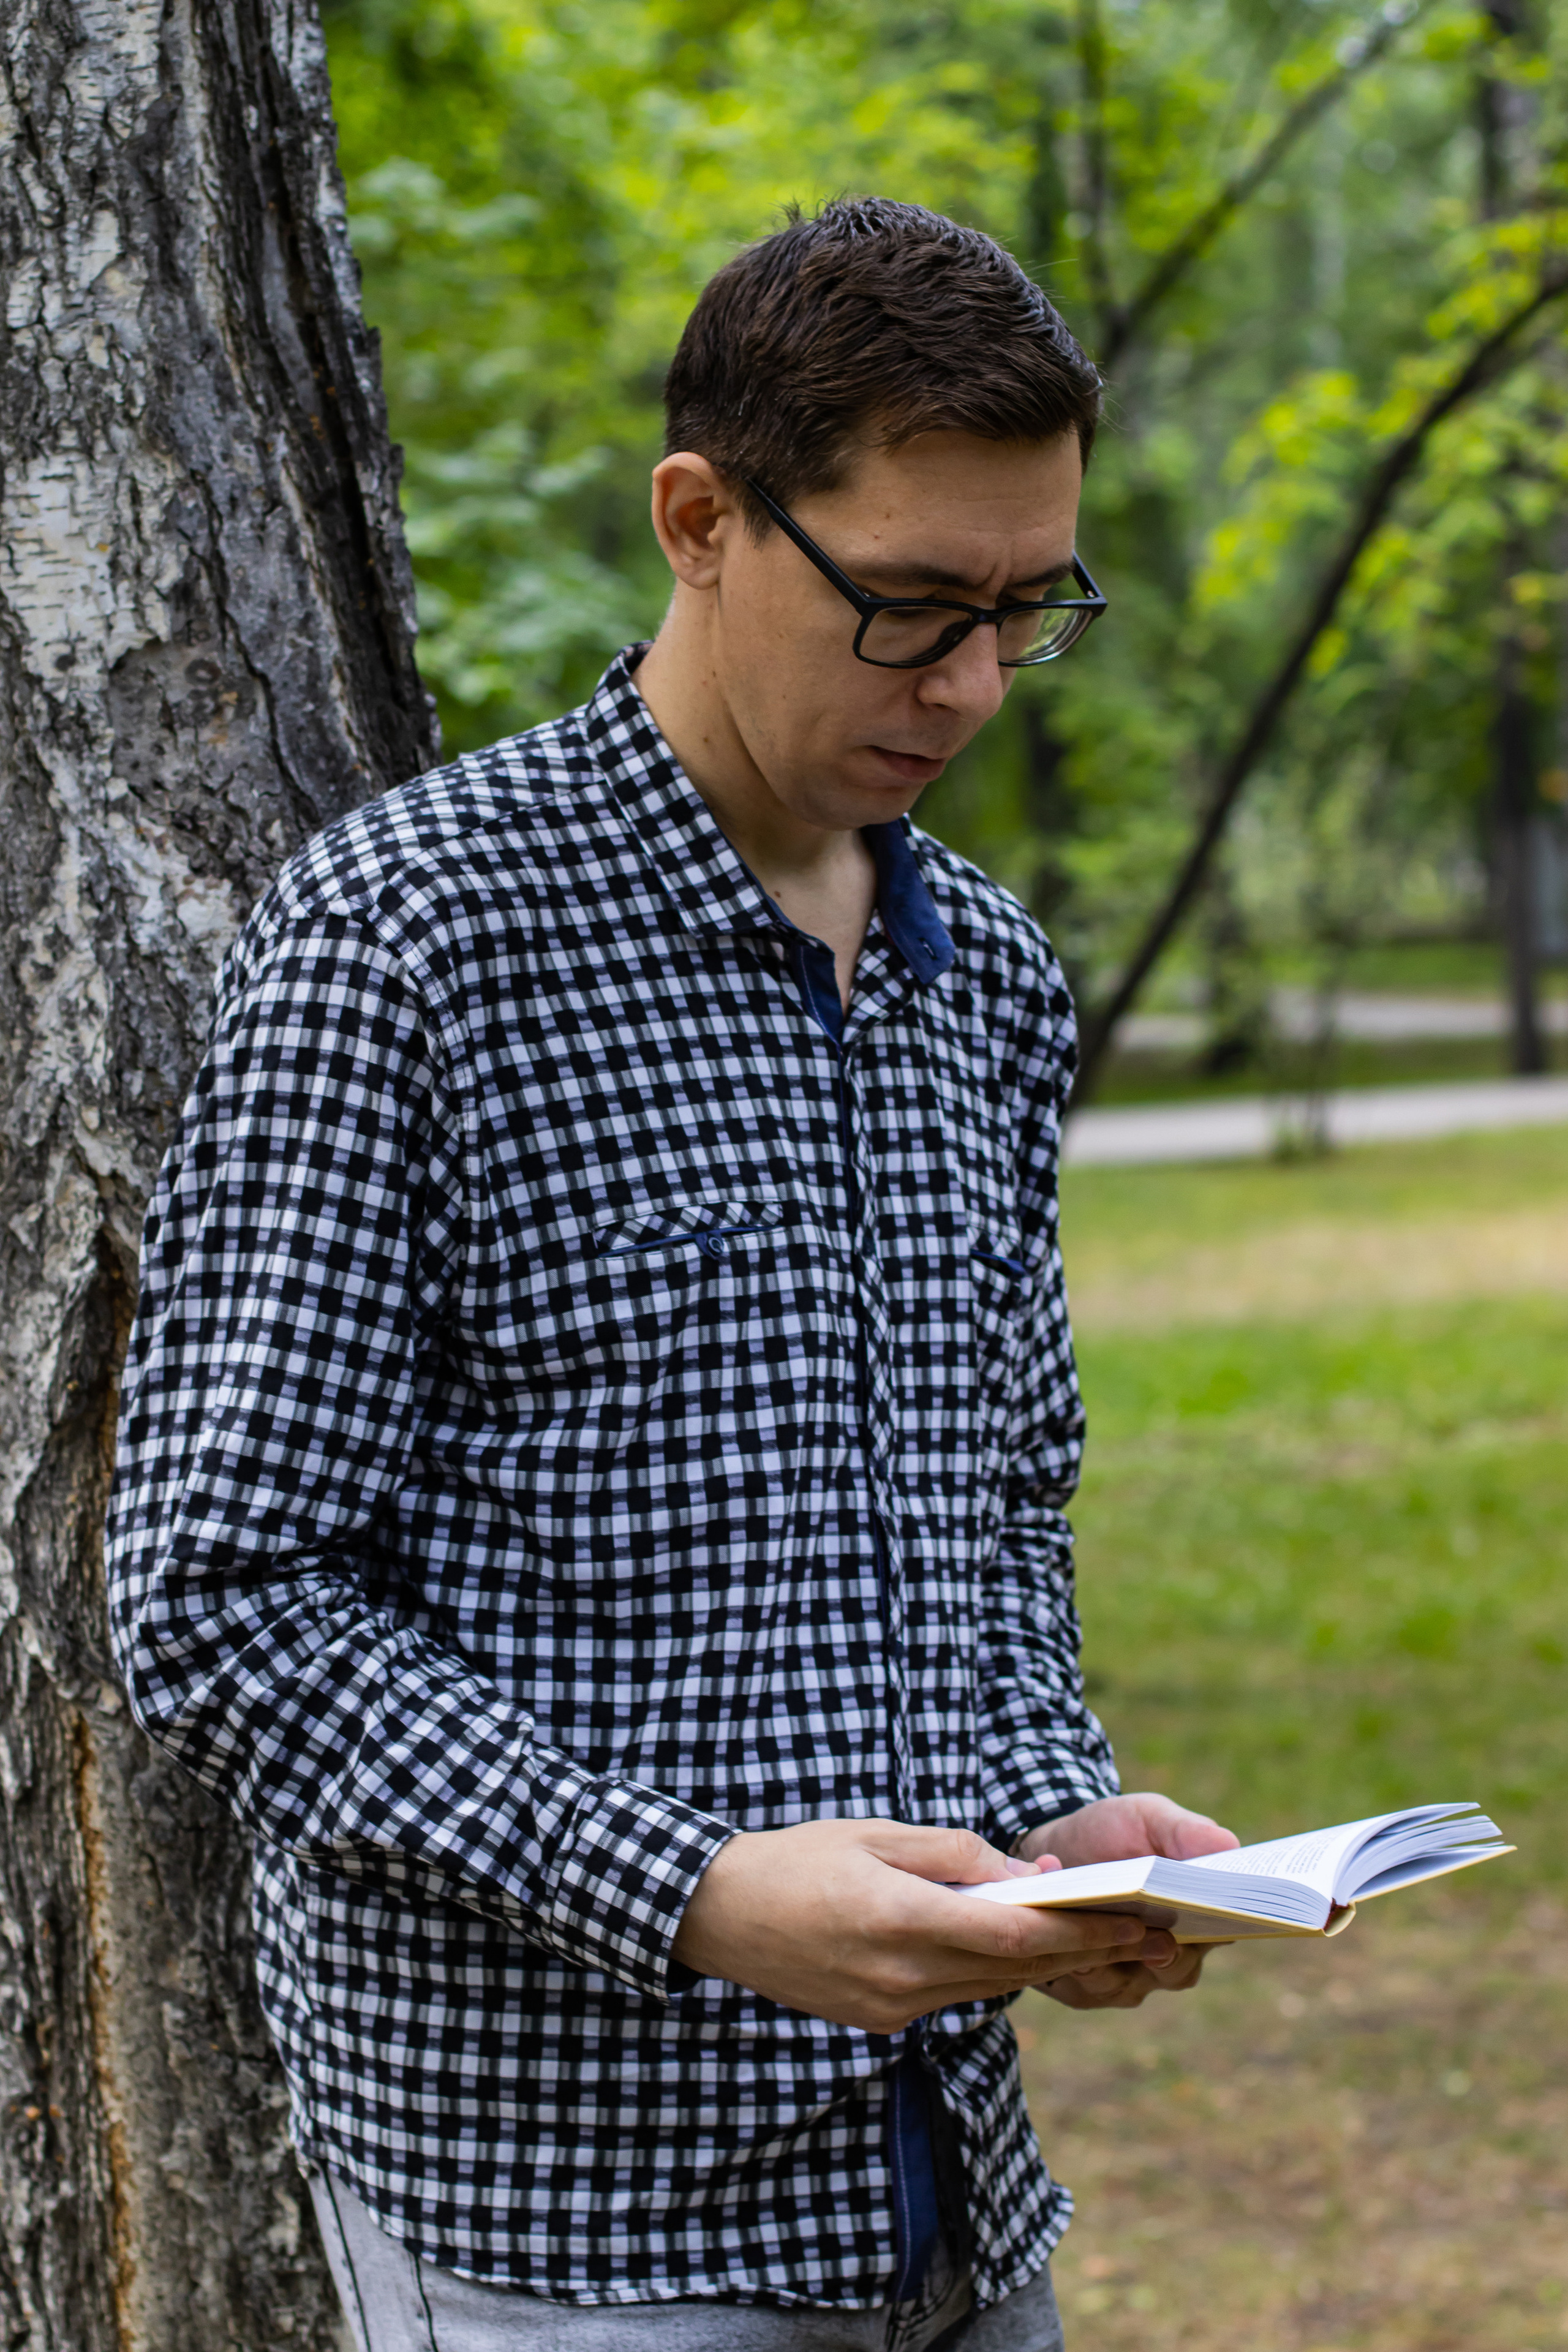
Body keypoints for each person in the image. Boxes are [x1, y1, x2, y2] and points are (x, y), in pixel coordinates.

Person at [106, 197, 1237, 2352]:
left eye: (1026, 611)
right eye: (911, 607)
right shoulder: (410, 944)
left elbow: (997, 1505)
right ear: (701, 522)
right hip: (571, 2225)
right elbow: (220, 1607)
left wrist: (1056, 1820)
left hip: (951, 2191)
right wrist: (696, 1898)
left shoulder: (987, 979)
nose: (971, 685)